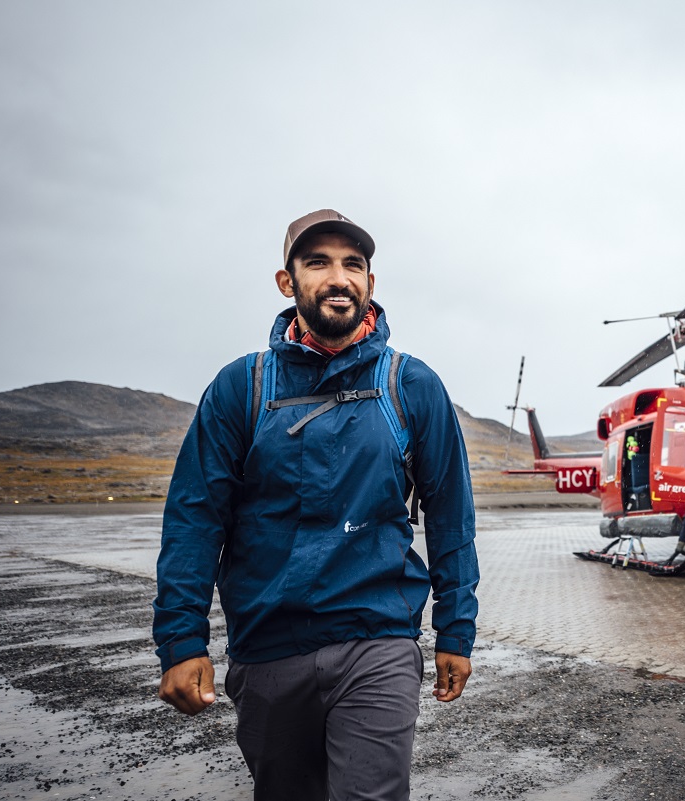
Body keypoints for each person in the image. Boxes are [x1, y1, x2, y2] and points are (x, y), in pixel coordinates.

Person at [153, 209, 479, 801]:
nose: (339, 277)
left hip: (377, 640)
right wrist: (182, 642)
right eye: (318, 263)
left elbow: (451, 515)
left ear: (370, 285)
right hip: (269, 648)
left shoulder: (411, 385)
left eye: (353, 264)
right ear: (288, 282)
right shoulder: (241, 387)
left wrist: (456, 629)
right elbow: (196, 520)